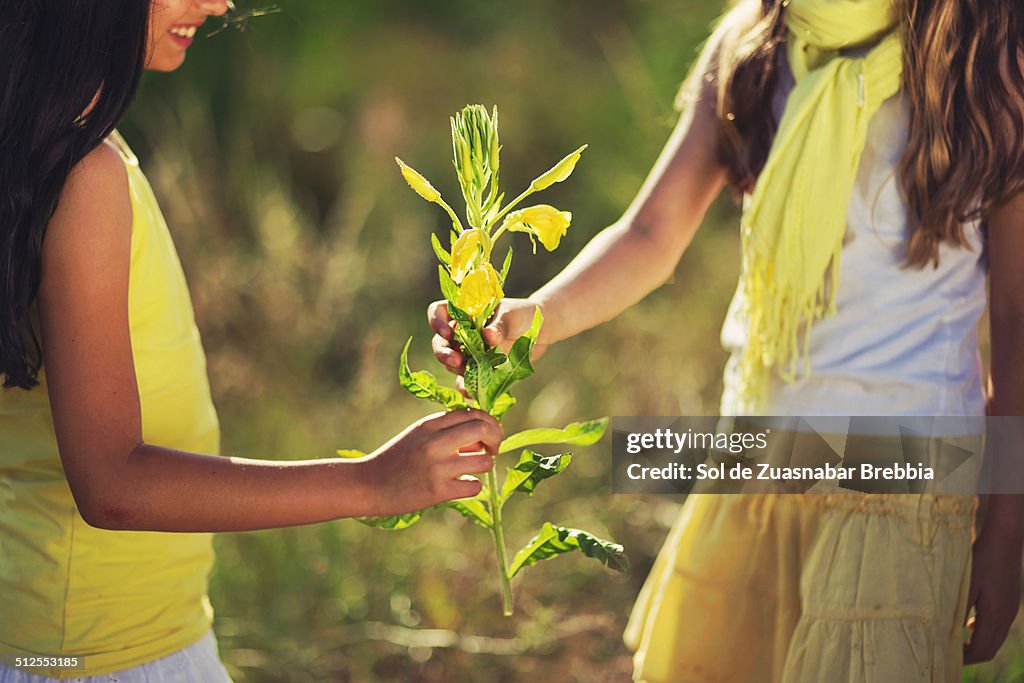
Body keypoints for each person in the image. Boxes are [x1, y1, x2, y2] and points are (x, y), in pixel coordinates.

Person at [431, 0, 1024, 680]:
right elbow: (650, 235)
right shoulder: (755, 43)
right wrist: (533, 319)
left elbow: (1015, 316)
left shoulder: (987, 65)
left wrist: (1006, 532)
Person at [0, 1, 502, 680]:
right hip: (97, 652)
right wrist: (373, 481)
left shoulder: (70, 143)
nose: (218, 2)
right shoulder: (86, 176)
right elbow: (111, 482)